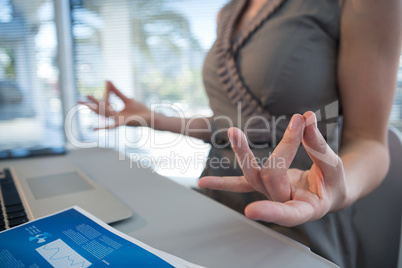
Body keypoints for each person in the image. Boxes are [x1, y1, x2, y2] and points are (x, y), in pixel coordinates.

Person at [79, 0, 402, 266]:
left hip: (299, 207)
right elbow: (231, 125)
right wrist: (155, 119)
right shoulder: (228, 12)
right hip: (216, 203)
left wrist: (334, 191)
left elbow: (369, 140)